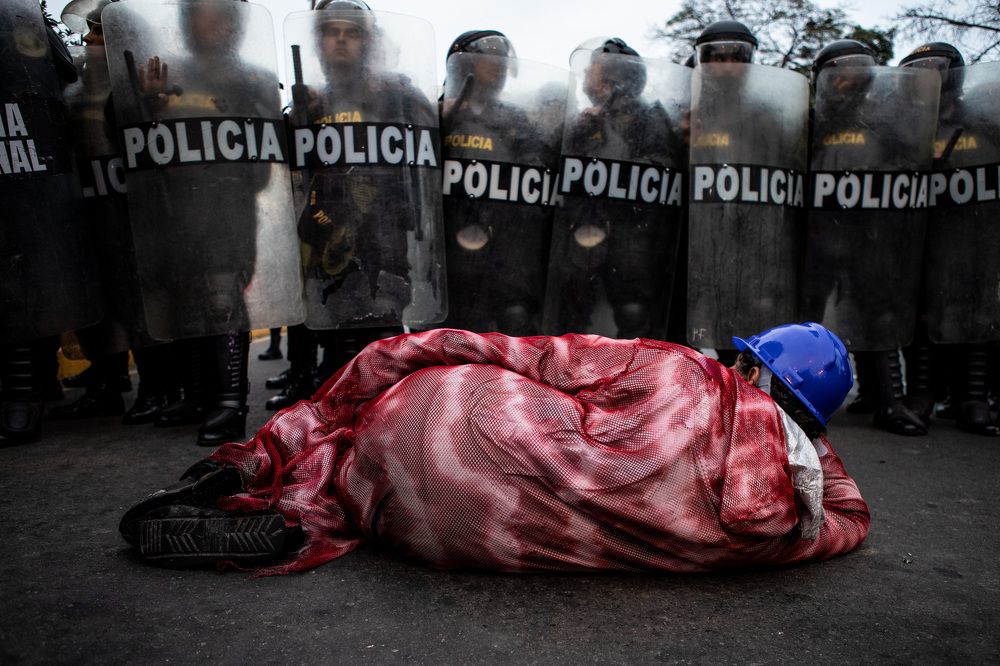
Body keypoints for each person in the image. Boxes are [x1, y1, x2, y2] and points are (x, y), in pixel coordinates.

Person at [119, 322, 870, 575]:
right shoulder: (785, 526)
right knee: (374, 481)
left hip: (442, 425)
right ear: (813, 429)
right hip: (448, 537)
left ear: (748, 365)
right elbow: (850, 515)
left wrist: (365, 373)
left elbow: (504, 348)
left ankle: (268, 461)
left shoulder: (674, 366)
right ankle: (321, 509)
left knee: (382, 411)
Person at [545, 37, 686, 339]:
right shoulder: (584, 119)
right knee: (570, 307)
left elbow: (662, 165)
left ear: (614, 73)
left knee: (633, 308)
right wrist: (575, 129)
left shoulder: (648, 117)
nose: (584, 77)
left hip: (630, 229)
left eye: (591, 69)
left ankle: (636, 376)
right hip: (583, 227)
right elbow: (549, 161)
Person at [901, 43, 1000, 436]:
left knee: (977, 316)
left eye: (939, 69)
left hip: (972, 237)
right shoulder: (903, 126)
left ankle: (973, 399)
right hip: (920, 239)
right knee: (922, 318)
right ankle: (922, 394)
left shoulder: (983, 120)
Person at [438, 30, 559, 335]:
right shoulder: (436, 113)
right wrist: (439, 125)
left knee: (514, 322)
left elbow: (538, 172)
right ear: (462, 65)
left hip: (505, 249)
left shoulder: (516, 120)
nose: (499, 65)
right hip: (449, 251)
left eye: (503, 60)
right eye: (489, 58)